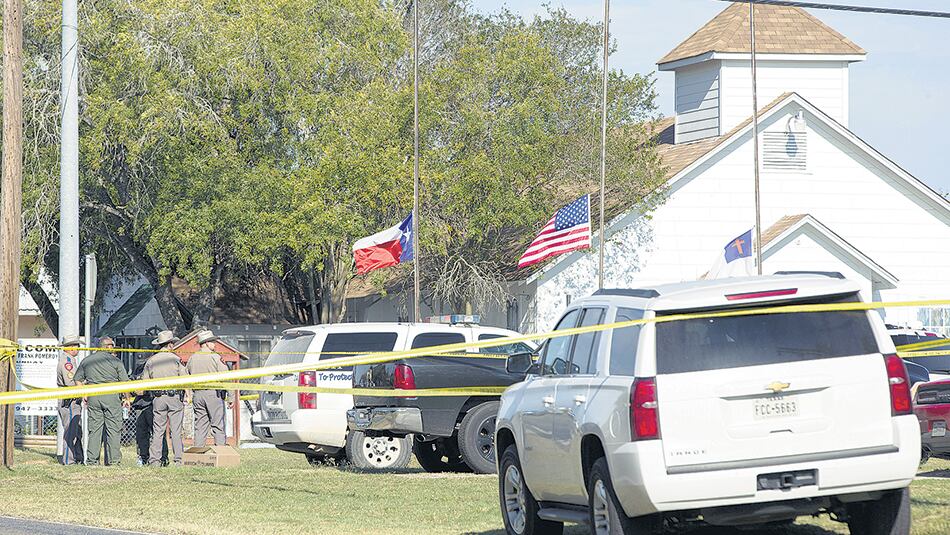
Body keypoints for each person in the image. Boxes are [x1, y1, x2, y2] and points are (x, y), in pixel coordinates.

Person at [74, 343, 131, 465]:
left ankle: (92, 461)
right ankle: (114, 461)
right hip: (112, 397)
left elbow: (77, 379)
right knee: (113, 430)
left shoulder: (87, 360)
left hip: (94, 396)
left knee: (94, 430)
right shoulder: (115, 361)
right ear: (109, 347)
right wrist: (127, 398)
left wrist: (84, 393)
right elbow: (125, 382)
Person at [143, 330, 186, 466]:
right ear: (170, 345)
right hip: (174, 398)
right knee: (176, 430)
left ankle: (155, 460)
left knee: (158, 430)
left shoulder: (151, 361)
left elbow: (144, 383)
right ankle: (179, 460)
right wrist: (188, 394)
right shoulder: (175, 359)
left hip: (158, 398)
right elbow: (185, 379)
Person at [187, 330, 229, 446]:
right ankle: (221, 452)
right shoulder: (215, 357)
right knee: (217, 425)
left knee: (200, 426)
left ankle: (198, 453)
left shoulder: (192, 358)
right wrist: (231, 396)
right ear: (206, 343)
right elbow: (226, 376)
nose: (215, 344)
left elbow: (186, 375)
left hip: (198, 395)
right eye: (213, 342)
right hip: (213, 394)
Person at [132, 353, 167, 466]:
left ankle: (163, 457)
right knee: (141, 434)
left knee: (157, 432)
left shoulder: (155, 366)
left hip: (152, 403)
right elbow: (133, 383)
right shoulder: (138, 369)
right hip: (140, 404)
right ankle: (143, 457)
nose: (141, 361)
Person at [56, 335, 84, 465]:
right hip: (70, 399)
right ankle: (69, 460)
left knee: (77, 430)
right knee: (71, 431)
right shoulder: (67, 362)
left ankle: (78, 457)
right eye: (75, 345)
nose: (77, 348)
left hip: (72, 398)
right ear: (69, 348)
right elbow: (71, 382)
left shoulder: (71, 360)